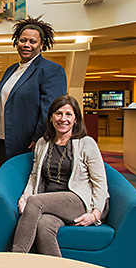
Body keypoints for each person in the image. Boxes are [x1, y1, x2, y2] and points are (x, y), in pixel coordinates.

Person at [11, 95, 109, 257]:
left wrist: (95, 214)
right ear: (51, 118)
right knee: (44, 225)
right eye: (58, 113)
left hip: (77, 200)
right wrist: (25, 196)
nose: (63, 119)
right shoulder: (43, 143)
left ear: (76, 119)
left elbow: (100, 182)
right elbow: (35, 175)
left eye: (68, 114)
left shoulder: (86, 143)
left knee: (35, 202)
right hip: (51, 202)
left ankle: (15, 259)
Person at [0, 15, 67, 166]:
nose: (27, 45)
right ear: (17, 41)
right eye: (23, 40)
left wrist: (39, 138)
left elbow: (51, 110)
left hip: (28, 144)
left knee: (26, 186)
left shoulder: (51, 70)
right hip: (4, 141)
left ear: (41, 44)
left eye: (33, 42)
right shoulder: (11, 70)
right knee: (8, 184)